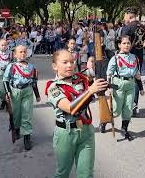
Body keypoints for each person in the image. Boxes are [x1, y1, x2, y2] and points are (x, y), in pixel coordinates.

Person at [46, 49, 108, 178]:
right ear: (55, 66)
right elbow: (70, 108)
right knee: (62, 173)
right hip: (66, 134)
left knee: (86, 174)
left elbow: (97, 71)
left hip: (86, 132)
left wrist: (96, 60)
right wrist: (90, 91)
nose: (70, 65)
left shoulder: (80, 77)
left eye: (72, 62)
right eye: (65, 62)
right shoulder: (53, 87)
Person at [107, 35, 145, 140]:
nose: (126, 45)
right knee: (116, 110)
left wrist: (141, 88)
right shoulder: (115, 58)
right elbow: (109, 74)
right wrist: (109, 87)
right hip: (118, 84)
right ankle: (105, 120)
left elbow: (137, 74)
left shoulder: (134, 58)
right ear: (119, 45)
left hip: (130, 85)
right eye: (124, 43)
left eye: (128, 43)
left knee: (128, 109)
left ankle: (124, 129)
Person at [2, 45, 40, 150]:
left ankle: (27, 137)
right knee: (17, 113)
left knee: (27, 113)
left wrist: (37, 95)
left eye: (24, 52)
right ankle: (17, 128)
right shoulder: (12, 66)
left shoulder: (31, 67)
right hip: (15, 92)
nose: (23, 54)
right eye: (20, 52)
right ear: (15, 54)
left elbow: (34, 82)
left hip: (27, 91)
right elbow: (5, 79)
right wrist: (7, 92)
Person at [121, 7, 144, 116]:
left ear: (129, 16)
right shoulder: (142, 26)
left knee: (128, 80)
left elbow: (123, 43)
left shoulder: (128, 27)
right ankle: (135, 104)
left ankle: (129, 105)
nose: (124, 18)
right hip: (139, 55)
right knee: (136, 79)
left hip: (128, 58)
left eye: (125, 16)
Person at [0, 39, 13, 110]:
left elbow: (13, 62)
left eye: (5, 45)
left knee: (8, 88)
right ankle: (3, 101)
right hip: (1, 72)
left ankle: (8, 103)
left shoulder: (10, 53)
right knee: (2, 90)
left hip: (9, 72)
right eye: (2, 45)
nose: (4, 46)